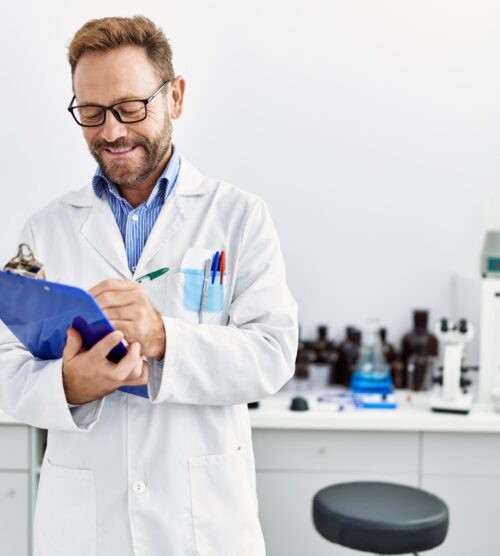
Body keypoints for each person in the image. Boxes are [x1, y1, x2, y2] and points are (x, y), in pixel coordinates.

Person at [0, 16, 298, 556]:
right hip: (85, 527)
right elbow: (7, 365)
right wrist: (71, 384)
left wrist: (164, 338)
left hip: (202, 524)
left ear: (175, 96)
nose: (111, 131)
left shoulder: (239, 217)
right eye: (90, 113)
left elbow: (273, 354)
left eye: (130, 108)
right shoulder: (45, 229)